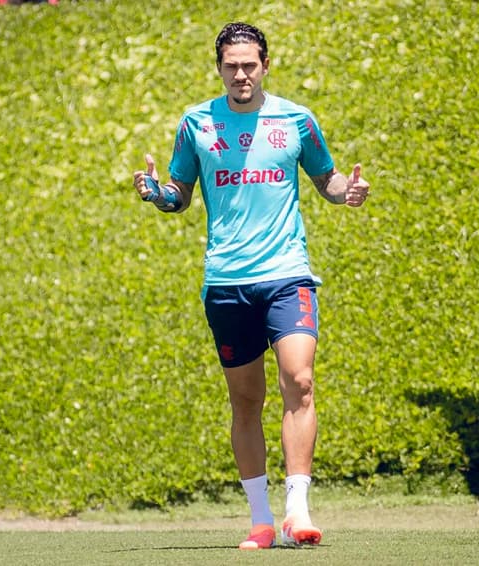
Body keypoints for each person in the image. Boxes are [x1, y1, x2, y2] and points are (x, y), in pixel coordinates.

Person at [132, 22, 370, 550]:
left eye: (250, 64)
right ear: (219, 68)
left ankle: (297, 510)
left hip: (287, 274)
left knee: (299, 380)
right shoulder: (196, 123)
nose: (241, 74)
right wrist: (155, 193)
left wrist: (347, 192)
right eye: (231, 65)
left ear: (266, 65)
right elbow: (180, 193)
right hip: (226, 282)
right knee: (246, 399)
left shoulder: (297, 120)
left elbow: (326, 179)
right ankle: (261, 520)